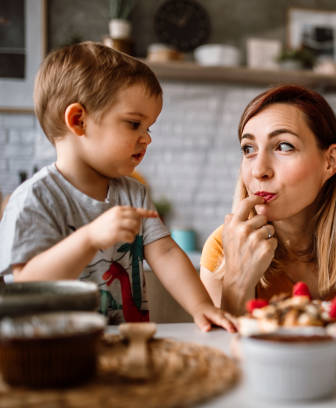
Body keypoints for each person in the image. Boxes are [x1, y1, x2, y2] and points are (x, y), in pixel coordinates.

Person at [0, 42, 234, 331]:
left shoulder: (133, 193)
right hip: (58, 352)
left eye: (149, 128)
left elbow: (167, 253)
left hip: (126, 343)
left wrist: (201, 306)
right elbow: (27, 283)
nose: (147, 138)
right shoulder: (35, 198)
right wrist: (89, 238)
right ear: (78, 120)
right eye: (134, 124)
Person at [200, 85, 336, 315]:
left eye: (284, 146)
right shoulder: (222, 249)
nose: (259, 170)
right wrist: (237, 280)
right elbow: (226, 348)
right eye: (248, 149)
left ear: (330, 162)